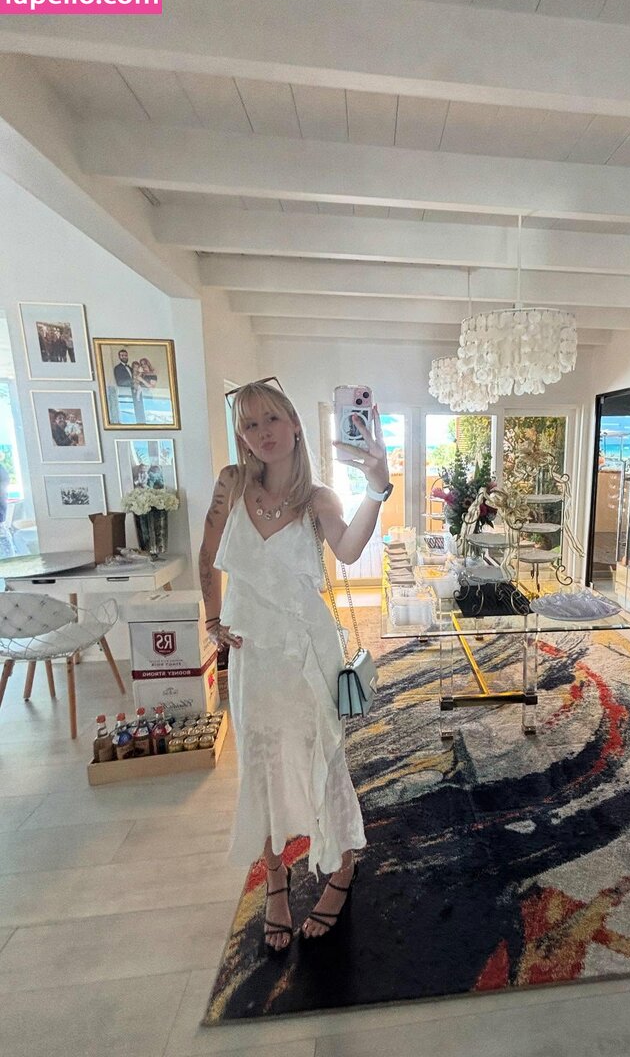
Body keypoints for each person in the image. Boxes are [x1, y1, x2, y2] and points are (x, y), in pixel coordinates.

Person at [198, 379, 391, 956]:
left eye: (272, 419)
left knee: (321, 758)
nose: (263, 433)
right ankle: (276, 879)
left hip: (308, 653)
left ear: (295, 424)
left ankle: (342, 865)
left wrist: (376, 488)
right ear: (242, 436)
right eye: (250, 424)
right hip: (253, 655)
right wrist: (213, 620)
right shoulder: (232, 484)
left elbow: (350, 549)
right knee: (259, 763)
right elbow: (207, 556)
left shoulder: (318, 498)